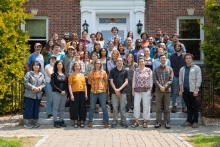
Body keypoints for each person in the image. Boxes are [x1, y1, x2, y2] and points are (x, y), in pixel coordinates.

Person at [179, 53, 202, 128]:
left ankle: (195, 121)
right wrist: (180, 90)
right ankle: (189, 121)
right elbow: (180, 81)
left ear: (192, 59)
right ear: (185, 60)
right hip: (185, 90)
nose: (188, 59)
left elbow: (199, 79)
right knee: (188, 106)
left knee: (194, 106)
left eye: (189, 58)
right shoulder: (182, 69)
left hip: (193, 90)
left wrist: (196, 90)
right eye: (187, 58)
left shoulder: (196, 68)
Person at [153, 54, 173, 129]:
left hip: (167, 91)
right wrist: (160, 87)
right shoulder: (156, 69)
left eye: (164, 58)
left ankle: (167, 122)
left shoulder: (170, 69)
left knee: (167, 108)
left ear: (166, 59)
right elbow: (155, 79)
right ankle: (158, 121)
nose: (163, 59)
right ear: (159, 60)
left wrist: (165, 86)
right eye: (161, 58)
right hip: (158, 91)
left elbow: (171, 79)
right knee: (158, 107)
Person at [131, 57, 153, 128]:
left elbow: (151, 80)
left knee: (146, 106)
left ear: (145, 62)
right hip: (137, 90)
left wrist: (151, 88)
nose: (141, 63)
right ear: (138, 63)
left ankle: (145, 121)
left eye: (142, 61)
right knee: (136, 105)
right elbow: (134, 80)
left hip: (146, 90)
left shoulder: (149, 70)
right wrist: (132, 89)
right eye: (140, 62)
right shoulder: (136, 70)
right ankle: (136, 121)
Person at [23, 61, 45, 129]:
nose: (36, 66)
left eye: (38, 65)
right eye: (35, 65)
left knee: (36, 109)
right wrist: (33, 87)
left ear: (39, 67)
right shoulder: (29, 74)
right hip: (29, 94)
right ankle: (27, 122)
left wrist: (39, 88)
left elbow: (43, 84)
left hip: (38, 95)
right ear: (32, 66)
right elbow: (26, 82)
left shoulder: (41, 75)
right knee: (29, 108)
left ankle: (34, 121)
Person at [88, 59, 109, 128]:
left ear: (100, 65)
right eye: (96, 63)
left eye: (99, 63)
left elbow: (106, 82)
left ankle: (106, 121)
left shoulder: (104, 72)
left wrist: (104, 90)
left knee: (104, 107)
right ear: (94, 64)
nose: (97, 64)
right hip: (93, 92)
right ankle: (91, 121)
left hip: (102, 92)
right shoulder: (91, 72)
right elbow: (90, 81)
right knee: (92, 107)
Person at [109, 57, 128, 128]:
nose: (119, 62)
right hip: (114, 92)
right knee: (115, 107)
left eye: (120, 61)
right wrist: (116, 90)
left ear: (122, 62)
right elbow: (111, 81)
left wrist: (119, 89)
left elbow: (126, 81)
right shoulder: (112, 71)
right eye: (118, 61)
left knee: (122, 107)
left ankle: (123, 121)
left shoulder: (125, 71)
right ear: (116, 62)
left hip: (123, 92)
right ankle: (115, 121)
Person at [68, 62, 87, 128]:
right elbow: (69, 85)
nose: (77, 67)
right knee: (74, 107)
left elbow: (85, 85)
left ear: (80, 67)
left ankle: (82, 121)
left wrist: (86, 94)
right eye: (75, 66)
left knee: (82, 107)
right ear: (73, 67)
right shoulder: (71, 75)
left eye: (78, 66)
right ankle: (75, 121)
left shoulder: (82, 75)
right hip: (74, 93)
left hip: (82, 92)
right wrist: (71, 95)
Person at [51, 61, 68, 128]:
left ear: (63, 65)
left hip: (64, 93)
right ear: (56, 66)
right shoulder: (54, 75)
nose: (59, 65)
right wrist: (60, 91)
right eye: (58, 64)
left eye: (61, 64)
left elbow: (67, 84)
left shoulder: (66, 75)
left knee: (62, 108)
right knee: (56, 107)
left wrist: (65, 91)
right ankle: (55, 121)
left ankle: (61, 120)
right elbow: (53, 84)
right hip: (56, 93)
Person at [170, 43, 187, 113]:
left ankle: (184, 107)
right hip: (175, 76)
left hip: (183, 77)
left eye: (179, 46)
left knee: (183, 92)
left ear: (181, 47)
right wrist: (172, 74)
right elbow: (171, 66)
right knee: (174, 92)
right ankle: (174, 106)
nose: (177, 47)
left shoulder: (184, 56)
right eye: (176, 46)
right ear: (174, 48)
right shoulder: (172, 56)